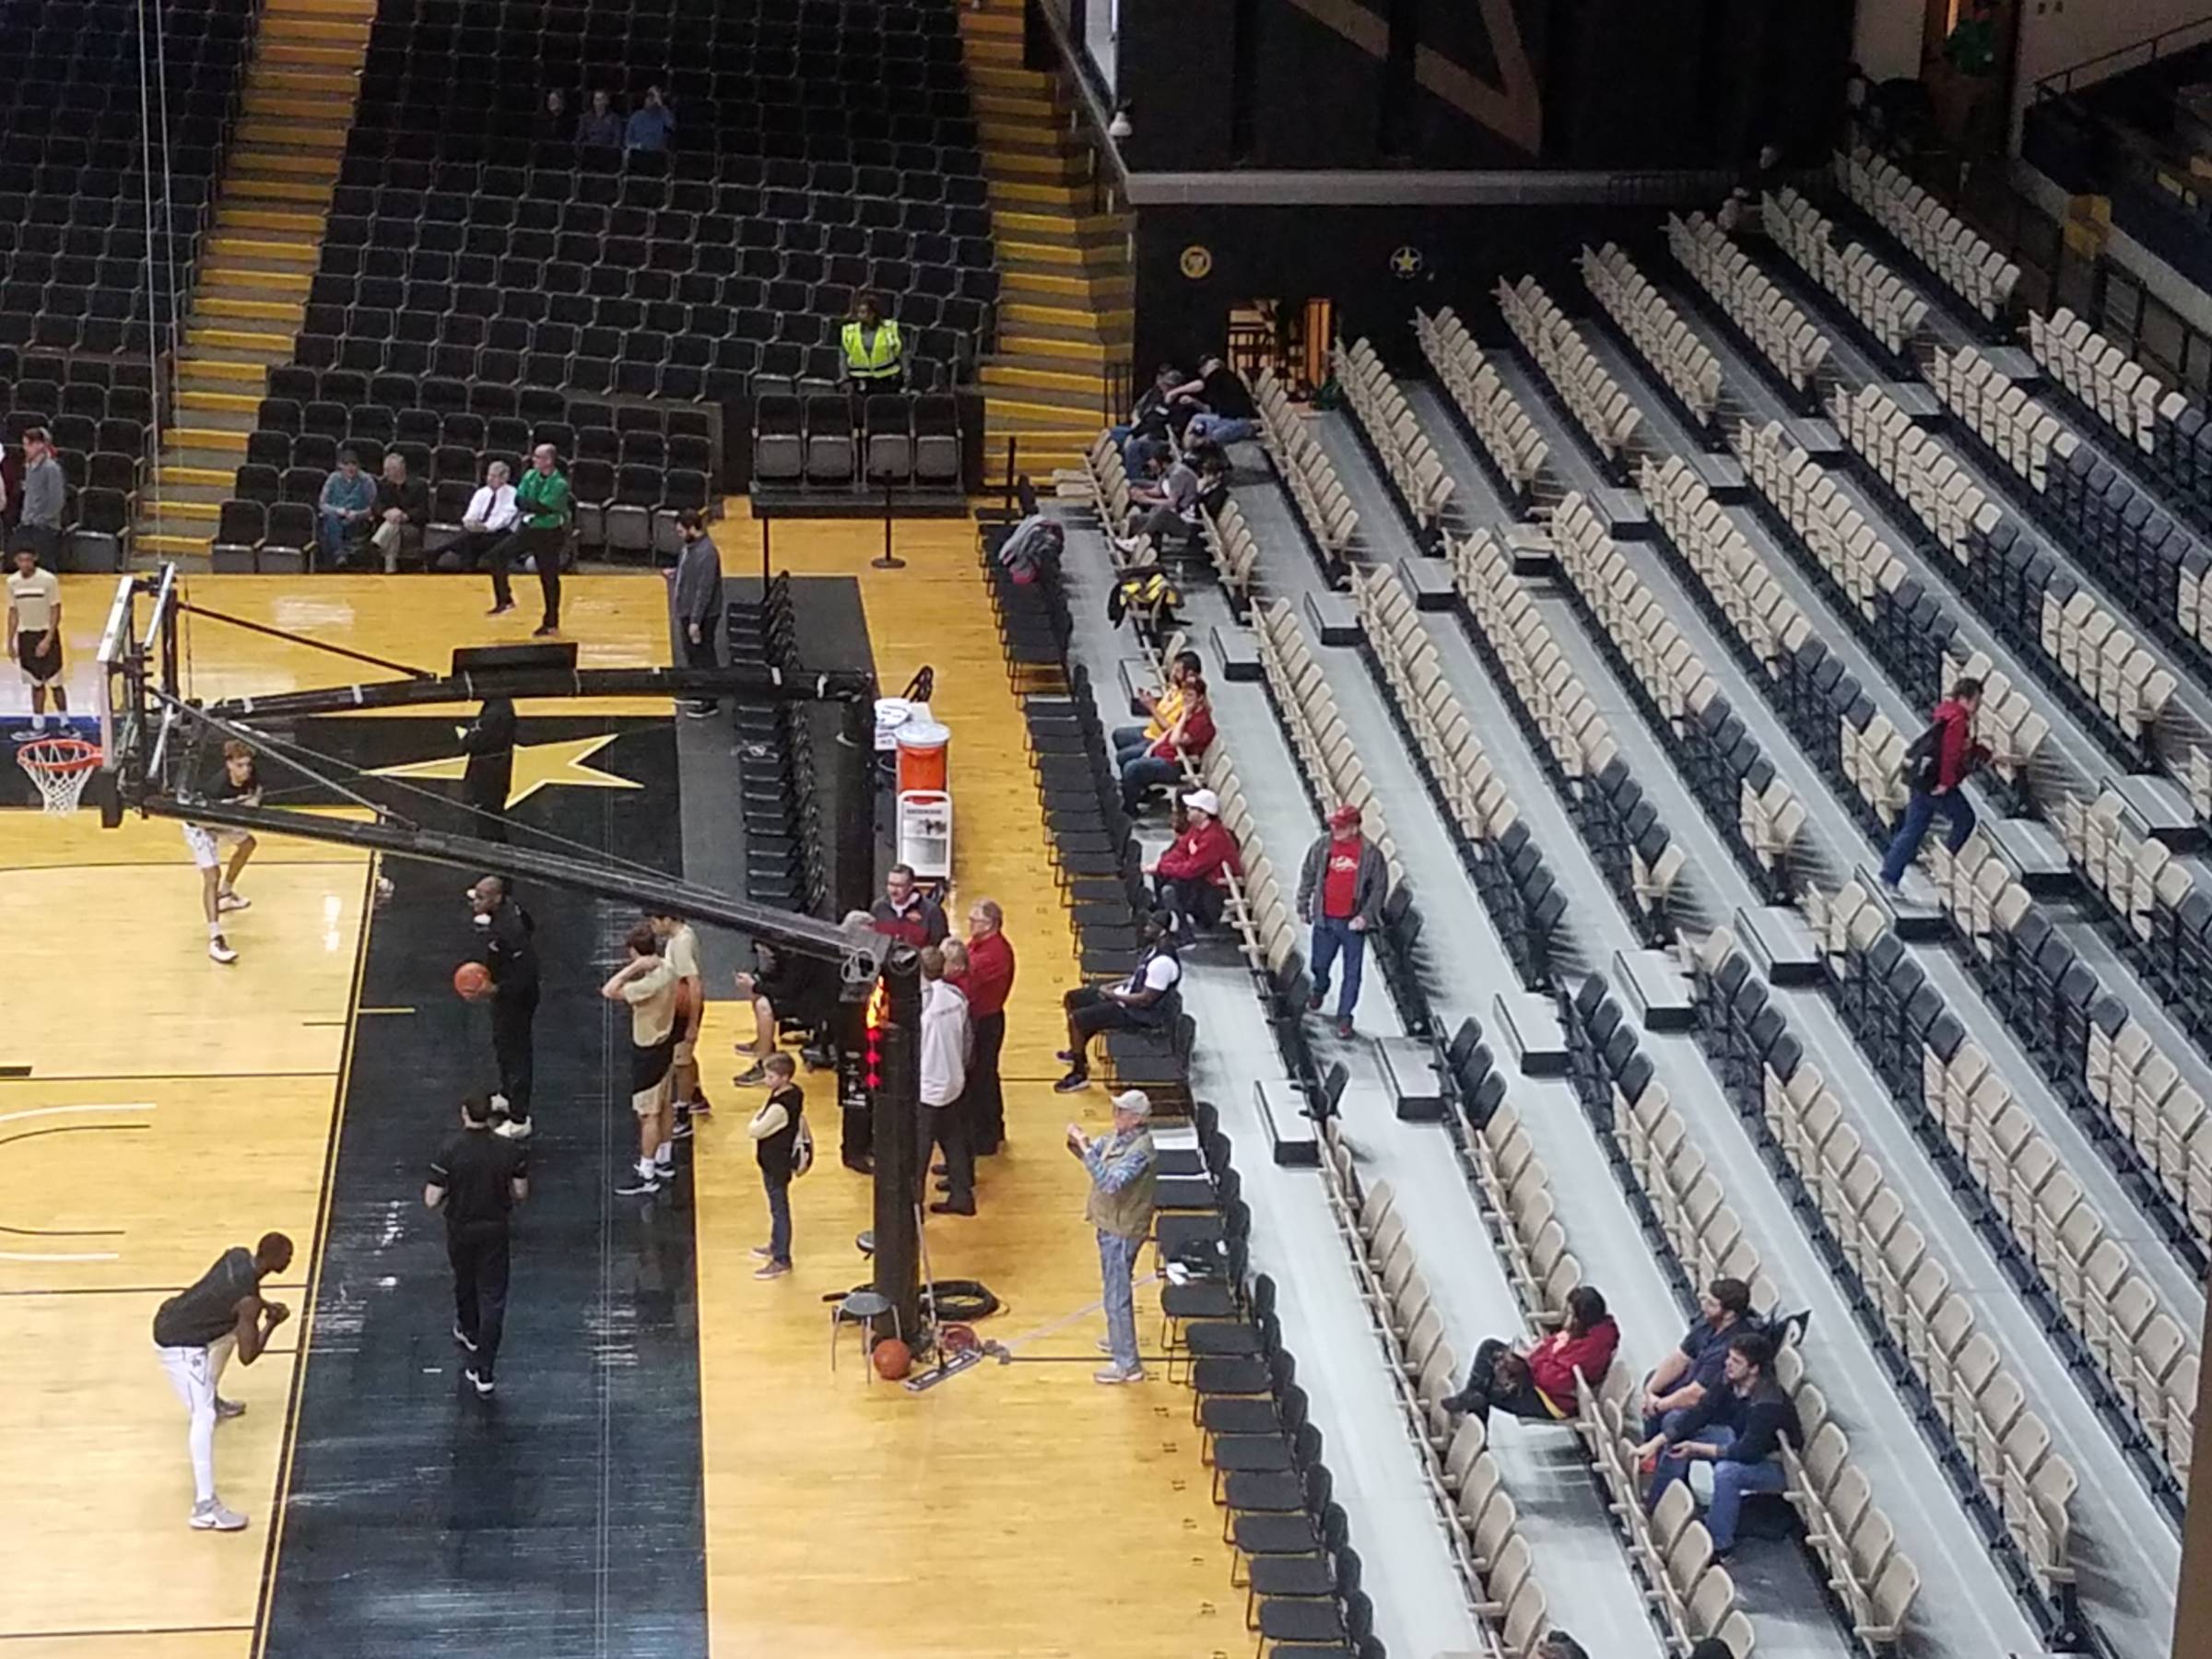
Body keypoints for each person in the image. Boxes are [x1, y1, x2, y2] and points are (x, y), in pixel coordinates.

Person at [151, 1231, 294, 1531]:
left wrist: (263, 1307)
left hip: (175, 1312)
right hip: (178, 1343)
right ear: (273, 1259)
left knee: (230, 1333)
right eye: (287, 1256)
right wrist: (270, 1324)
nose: (290, 1260)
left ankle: (211, 1392)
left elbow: (233, 1297)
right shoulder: (248, 1304)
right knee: (203, 1416)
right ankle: (205, 1507)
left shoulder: (237, 1256)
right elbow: (249, 1355)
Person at [1636, 1330, 1800, 1554]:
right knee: (1679, 1429)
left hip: (1775, 1464)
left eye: (1736, 1361)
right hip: (1739, 1439)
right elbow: (1700, 1412)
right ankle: (1657, 1506)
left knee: (1727, 1473)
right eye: (1729, 1358)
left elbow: (1747, 1453)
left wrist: (1696, 1449)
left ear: (1754, 1369)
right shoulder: (1728, 1378)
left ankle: (1717, 1543)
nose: (1728, 1364)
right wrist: (1656, 1443)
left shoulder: (1767, 1403)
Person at [425, 1092, 528, 1398]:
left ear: (464, 1113)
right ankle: (485, 1371)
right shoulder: (508, 1150)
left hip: (461, 1228)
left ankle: (469, 1330)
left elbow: (431, 1199)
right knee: (494, 1298)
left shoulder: (450, 1150)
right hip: (495, 1229)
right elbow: (521, 1192)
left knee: (464, 1280)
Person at [1075, 1088, 1159, 1383]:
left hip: (1123, 1230)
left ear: (1136, 1119)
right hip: (1110, 1224)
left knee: (1116, 1295)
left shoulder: (1140, 1150)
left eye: (1121, 1112)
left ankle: (1127, 1364)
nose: (1115, 1116)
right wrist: (1081, 1145)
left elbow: (1111, 1183)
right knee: (1113, 1287)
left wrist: (1086, 1151)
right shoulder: (1117, 1139)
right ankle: (1119, 1338)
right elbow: (1093, 1153)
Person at [1441, 1285, 1619, 1422]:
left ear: (1581, 1318)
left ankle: (1476, 1425)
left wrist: (1536, 1359)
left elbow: (1552, 1381)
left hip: (1549, 1400)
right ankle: (1473, 1395)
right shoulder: (1585, 1332)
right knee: (1489, 1347)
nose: (1567, 1317)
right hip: (1538, 1379)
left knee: (1487, 1391)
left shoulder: (1592, 1349)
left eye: (1571, 1313)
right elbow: (1553, 1347)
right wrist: (1540, 1350)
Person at [1877, 677, 1989, 889]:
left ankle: (1889, 875)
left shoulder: (1945, 713)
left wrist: (1985, 754)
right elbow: (1950, 754)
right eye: (1976, 701)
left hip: (1922, 780)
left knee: (1914, 828)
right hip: (1937, 784)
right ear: (1964, 699)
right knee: (1965, 819)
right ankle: (1942, 865)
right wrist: (1946, 783)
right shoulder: (1958, 721)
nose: (1978, 706)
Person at [1055, 909, 1182, 1092]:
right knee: (1073, 998)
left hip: (1139, 1015)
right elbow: (1137, 978)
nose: (1146, 928)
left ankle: (1079, 1074)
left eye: (1151, 925)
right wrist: (1111, 986)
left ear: (1163, 931)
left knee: (1078, 1020)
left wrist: (1113, 995)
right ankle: (1078, 1053)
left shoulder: (1163, 963)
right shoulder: (1153, 950)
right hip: (1126, 998)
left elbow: (1145, 1000)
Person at [1297, 803, 1388, 1039]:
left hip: (1352, 922)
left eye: (1341, 827)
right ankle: (1320, 986)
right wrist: (1303, 903)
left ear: (1354, 828)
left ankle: (1345, 1016)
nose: (1335, 830)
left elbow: (1378, 889)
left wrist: (1365, 917)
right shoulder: (1323, 845)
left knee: (1352, 973)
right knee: (1319, 962)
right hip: (1325, 918)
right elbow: (1308, 873)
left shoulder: (1370, 854)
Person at [603, 923, 680, 1194]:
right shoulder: (669, 970)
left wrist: (633, 968)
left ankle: (647, 1172)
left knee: (648, 1113)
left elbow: (610, 990)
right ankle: (664, 1159)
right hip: (667, 1042)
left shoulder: (646, 985)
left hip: (648, 1051)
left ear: (635, 952)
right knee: (666, 1106)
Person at [1642, 1277, 1759, 1443]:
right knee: (1653, 1379)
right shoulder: (1708, 1322)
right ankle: (1649, 1447)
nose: (1704, 1307)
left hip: (1717, 1408)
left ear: (1730, 1314)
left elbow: (1695, 1394)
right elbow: (1679, 1358)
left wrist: (1657, 1405)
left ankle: (1659, 1457)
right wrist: (1650, 1393)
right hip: (1694, 1384)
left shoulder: (1732, 1348)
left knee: (1674, 1418)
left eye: (1711, 1304)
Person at [465, 876, 539, 1138]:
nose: (476, 901)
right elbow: (532, 923)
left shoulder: (511, 928)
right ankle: (507, 1095)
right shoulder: (504, 912)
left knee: (517, 1053)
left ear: (497, 898)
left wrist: (495, 989)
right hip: (504, 994)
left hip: (517, 997)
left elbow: (528, 973)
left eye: (482, 897)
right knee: (501, 1044)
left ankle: (519, 1119)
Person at [184, 739, 260, 964]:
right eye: (240, 765)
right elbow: (202, 822)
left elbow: (256, 794)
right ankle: (215, 938)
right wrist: (236, 811)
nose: (245, 770)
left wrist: (251, 803)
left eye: (247, 765)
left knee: (248, 844)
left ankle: (226, 894)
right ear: (228, 765)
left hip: (224, 819)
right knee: (211, 876)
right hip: (199, 826)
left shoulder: (252, 774)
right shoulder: (215, 788)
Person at [488, 444, 571, 637]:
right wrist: (533, 505)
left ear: (549, 460)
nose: (533, 460)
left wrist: (533, 505)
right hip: (529, 527)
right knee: (497, 555)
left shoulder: (559, 484)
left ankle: (551, 621)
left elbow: (542, 506)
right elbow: (520, 500)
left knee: (548, 577)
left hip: (548, 533)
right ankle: (505, 599)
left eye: (537, 457)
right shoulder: (530, 476)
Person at [954, 898, 1014, 1155]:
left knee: (981, 1079)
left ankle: (984, 1139)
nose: (970, 924)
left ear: (990, 924)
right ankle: (993, 1129)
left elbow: (965, 979)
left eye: (974, 920)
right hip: (985, 1018)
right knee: (987, 1077)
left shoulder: (993, 954)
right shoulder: (980, 946)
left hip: (984, 1022)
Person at [918, 945, 974, 1215]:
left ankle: (912, 1207)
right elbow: (967, 1041)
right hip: (954, 1080)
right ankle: (962, 1196)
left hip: (928, 1086)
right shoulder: (957, 997)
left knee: (919, 1150)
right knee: (954, 1141)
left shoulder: (921, 1004)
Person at [649, 908, 711, 1138]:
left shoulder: (681, 943)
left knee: (681, 1061)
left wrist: (693, 1023)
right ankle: (695, 1096)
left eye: (654, 920)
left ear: (666, 919)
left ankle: (683, 1115)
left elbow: (693, 984)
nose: (652, 926)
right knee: (685, 1055)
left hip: (684, 1009)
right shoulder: (682, 935)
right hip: (682, 1005)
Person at [1118, 673, 1215, 814]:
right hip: (1162, 751)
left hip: (1175, 764)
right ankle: (1138, 792)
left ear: (1200, 698)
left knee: (1131, 768)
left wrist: (1184, 716)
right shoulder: (1189, 711)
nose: (1186, 699)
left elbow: (1174, 740)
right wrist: (1152, 747)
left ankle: (1130, 810)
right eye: (1185, 695)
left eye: (1190, 696)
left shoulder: (1201, 722)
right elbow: (1168, 733)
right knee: (1123, 756)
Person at [747, 1053, 806, 1278]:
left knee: (779, 1208)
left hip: (776, 1163)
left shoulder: (782, 1106)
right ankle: (775, 1243)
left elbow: (755, 1129)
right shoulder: (792, 1093)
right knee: (776, 1206)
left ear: (784, 1077)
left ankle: (782, 1258)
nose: (765, 1080)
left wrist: (756, 1119)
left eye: (770, 1076)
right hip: (775, 1160)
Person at [1151, 786, 1241, 934]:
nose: (1187, 809)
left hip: (1211, 891)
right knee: (1161, 875)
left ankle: (1184, 931)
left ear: (1203, 813)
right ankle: (1163, 917)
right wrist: (1163, 865)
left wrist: (1164, 867)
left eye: (1192, 808)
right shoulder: (1197, 829)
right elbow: (1180, 849)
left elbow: (1193, 869)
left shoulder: (1214, 838)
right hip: (1199, 880)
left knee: (1171, 888)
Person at [669, 507, 722, 718]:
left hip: (702, 614)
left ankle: (710, 699)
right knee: (690, 652)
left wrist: (695, 621)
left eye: (682, 532)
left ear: (693, 529)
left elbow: (705, 589)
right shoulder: (689, 547)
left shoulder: (708, 553)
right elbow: (688, 571)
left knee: (704, 655)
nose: (680, 536)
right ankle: (696, 688)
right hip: (686, 609)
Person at [1112, 650, 1199, 771]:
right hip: (1151, 731)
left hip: (1162, 743)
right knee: (1119, 735)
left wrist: (1151, 707)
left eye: (1177, 671)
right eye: (1174, 669)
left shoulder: (1188, 699)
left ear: (1190, 675)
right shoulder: (1175, 687)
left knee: (1126, 761)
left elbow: (1170, 730)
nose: (1172, 674)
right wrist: (1151, 701)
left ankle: (1132, 784)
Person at [732, 937, 803, 1087]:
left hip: (809, 998)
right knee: (754, 993)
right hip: (793, 989)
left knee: (764, 1005)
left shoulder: (796, 954)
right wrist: (754, 982)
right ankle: (764, 1043)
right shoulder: (782, 948)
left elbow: (788, 990)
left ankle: (764, 1064)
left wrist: (756, 985)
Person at [6, 545, 64, 730]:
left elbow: (55, 610)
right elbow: (13, 613)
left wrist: (48, 639)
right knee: (35, 682)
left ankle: (65, 720)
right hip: (26, 636)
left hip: (46, 633)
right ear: (16, 561)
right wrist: (10, 642)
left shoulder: (48, 580)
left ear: (35, 559)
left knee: (56, 682)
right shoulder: (12, 582)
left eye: (28, 560)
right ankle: (38, 723)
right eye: (21, 560)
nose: (25, 564)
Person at [1113, 448, 1205, 557]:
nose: (1150, 465)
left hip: (1186, 521)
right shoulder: (1166, 471)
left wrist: (1147, 500)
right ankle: (1140, 554)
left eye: (1154, 463)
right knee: (1137, 519)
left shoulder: (1178, 475)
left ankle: (1134, 543)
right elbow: (1158, 490)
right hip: (1173, 515)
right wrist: (1142, 492)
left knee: (1161, 515)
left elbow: (1172, 503)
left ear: (1163, 463)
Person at [458, 695, 516, 842]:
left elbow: (473, 742)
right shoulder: (500, 706)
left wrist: (467, 737)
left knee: (488, 824)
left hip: (488, 779)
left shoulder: (496, 713)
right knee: (489, 821)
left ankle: (495, 855)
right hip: (494, 776)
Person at [366, 452, 428, 573]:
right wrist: (386, 513)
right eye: (386, 469)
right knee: (393, 526)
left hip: (410, 525)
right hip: (389, 523)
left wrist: (404, 516)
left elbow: (423, 511)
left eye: (389, 469)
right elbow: (376, 505)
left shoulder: (419, 485)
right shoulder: (384, 485)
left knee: (393, 525)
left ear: (400, 469)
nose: (386, 473)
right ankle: (390, 568)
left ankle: (377, 543)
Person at [462, 459, 519, 589]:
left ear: (505, 477)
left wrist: (486, 527)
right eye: (489, 475)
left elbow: (505, 518)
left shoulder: (513, 494)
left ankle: (440, 554)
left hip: (501, 532)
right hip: (479, 528)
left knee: (469, 541)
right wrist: (470, 522)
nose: (490, 479)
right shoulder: (482, 492)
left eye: (494, 476)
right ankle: (467, 573)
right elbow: (471, 513)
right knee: (467, 537)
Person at [1182, 356, 1261, 447]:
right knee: (1197, 419)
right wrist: (1194, 401)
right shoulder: (1224, 379)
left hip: (1243, 422)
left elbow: (1202, 386)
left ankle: (1192, 453)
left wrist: (1177, 393)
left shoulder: (1218, 379)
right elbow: (1213, 410)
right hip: (1227, 419)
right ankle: (1187, 452)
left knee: (1212, 435)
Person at [316, 449, 375, 566]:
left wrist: (357, 514)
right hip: (336, 519)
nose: (351, 468)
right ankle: (340, 555)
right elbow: (322, 504)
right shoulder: (333, 479)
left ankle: (338, 556)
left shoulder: (366, 481)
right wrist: (337, 511)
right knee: (331, 519)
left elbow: (374, 508)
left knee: (330, 528)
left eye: (354, 465)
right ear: (340, 466)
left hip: (357, 521)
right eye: (347, 465)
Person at [14, 429, 63, 565]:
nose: (25, 448)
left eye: (27, 444)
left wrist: (43, 519)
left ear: (38, 445)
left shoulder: (51, 469)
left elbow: (56, 500)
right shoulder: (29, 467)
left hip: (45, 528)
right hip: (28, 523)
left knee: (45, 565)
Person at [871, 862, 947, 948]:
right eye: (891, 884)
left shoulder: (931, 911)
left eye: (899, 886)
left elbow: (939, 950)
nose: (893, 890)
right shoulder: (879, 908)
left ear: (911, 886)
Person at [841, 291, 904, 391]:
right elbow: (843, 356)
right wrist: (844, 378)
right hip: (859, 379)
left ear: (873, 313)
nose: (859, 315)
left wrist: (906, 376)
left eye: (863, 312)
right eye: (858, 312)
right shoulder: (850, 331)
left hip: (887, 378)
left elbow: (902, 352)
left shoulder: (890, 328)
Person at [625, 84, 676, 151]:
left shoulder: (663, 114)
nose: (650, 100)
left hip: (658, 152)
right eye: (649, 97)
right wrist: (638, 146)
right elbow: (627, 141)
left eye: (653, 98)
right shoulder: (636, 116)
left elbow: (672, 125)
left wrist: (660, 103)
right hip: (639, 151)